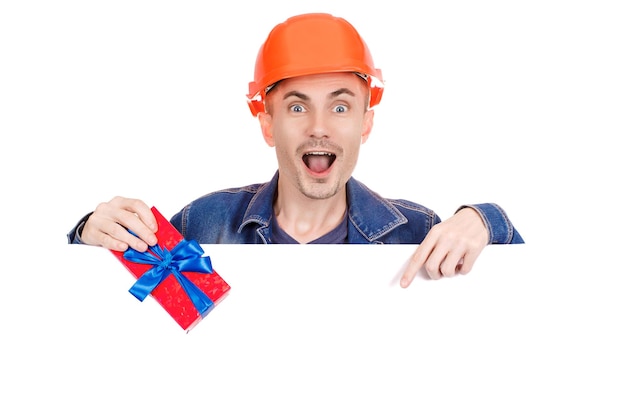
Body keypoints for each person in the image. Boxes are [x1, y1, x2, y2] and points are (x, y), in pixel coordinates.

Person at [67, 13, 524, 288]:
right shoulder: (201, 227)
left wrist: (484, 221)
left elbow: (523, 300)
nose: (320, 128)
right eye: (298, 106)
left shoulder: (416, 234)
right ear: (267, 123)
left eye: (341, 106)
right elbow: (102, 304)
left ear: (366, 122)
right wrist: (91, 232)